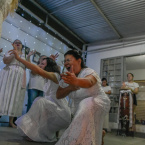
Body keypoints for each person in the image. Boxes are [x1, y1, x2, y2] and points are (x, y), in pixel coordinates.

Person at [9, 49, 71, 142]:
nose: (39, 66)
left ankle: (36, 134)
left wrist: (19, 58)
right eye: (39, 63)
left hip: (61, 112)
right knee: (41, 101)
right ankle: (40, 134)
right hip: (53, 109)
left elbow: (36, 69)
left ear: (48, 66)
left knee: (40, 101)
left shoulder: (55, 75)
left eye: (42, 64)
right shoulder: (47, 78)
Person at [55, 50, 110, 145]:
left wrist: (76, 81)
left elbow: (90, 82)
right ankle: (99, 135)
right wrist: (70, 87)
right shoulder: (66, 77)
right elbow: (58, 95)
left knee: (86, 106)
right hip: (79, 107)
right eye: (65, 61)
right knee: (86, 125)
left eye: (68, 60)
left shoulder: (88, 71)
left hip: (98, 101)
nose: (66, 63)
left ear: (79, 61)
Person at [0, 39, 27, 128]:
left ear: (22, 46)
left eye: (19, 43)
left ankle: (11, 121)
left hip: (18, 77)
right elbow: (5, 61)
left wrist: (26, 56)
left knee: (15, 97)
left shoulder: (25, 55)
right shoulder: (9, 52)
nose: (18, 43)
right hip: (8, 75)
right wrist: (15, 54)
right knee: (4, 95)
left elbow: (27, 66)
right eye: (16, 42)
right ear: (13, 45)